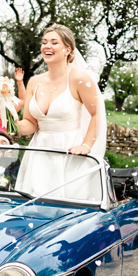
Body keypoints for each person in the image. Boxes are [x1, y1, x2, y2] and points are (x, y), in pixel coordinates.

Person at [15, 25, 107, 199]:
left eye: (54, 42)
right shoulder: (34, 81)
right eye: (44, 42)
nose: (47, 46)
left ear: (67, 50)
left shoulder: (79, 79)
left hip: (70, 153)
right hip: (39, 154)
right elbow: (30, 124)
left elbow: (96, 114)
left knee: (68, 205)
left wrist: (86, 146)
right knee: (33, 205)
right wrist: (12, 122)